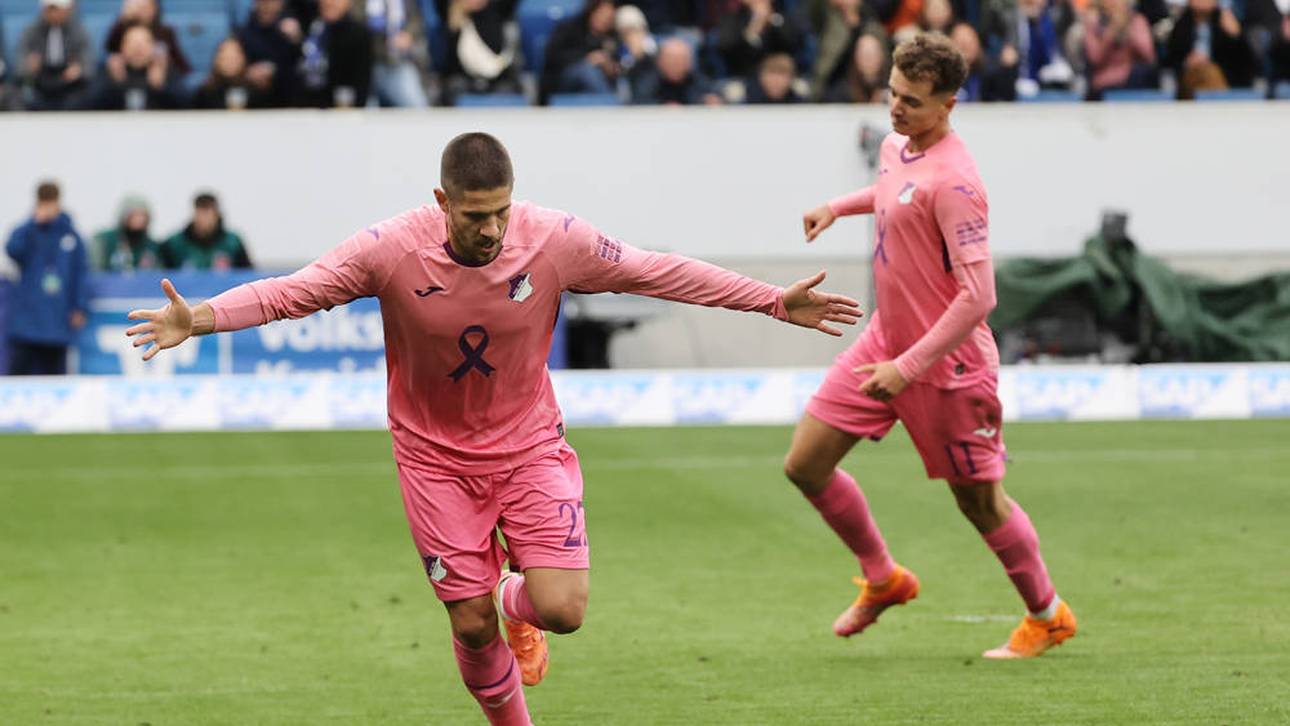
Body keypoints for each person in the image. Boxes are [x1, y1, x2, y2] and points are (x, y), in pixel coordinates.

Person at [124, 132, 863, 725]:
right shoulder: (390, 249)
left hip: (529, 445)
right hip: (433, 459)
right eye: (475, 214)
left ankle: (520, 603)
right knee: (471, 623)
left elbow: (655, 271)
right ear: (442, 201)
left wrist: (771, 301)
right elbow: (296, 292)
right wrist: (203, 317)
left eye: (501, 212)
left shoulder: (552, 239)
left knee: (562, 610)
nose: (491, 229)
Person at [785, 33, 1077, 660]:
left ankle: (1047, 614)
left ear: (948, 104)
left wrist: (907, 367)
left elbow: (978, 297)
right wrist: (838, 206)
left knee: (979, 503)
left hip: (946, 366)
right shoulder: (897, 145)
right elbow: (893, 191)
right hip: (886, 345)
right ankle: (884, 578)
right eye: (892, 94)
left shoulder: (958, 183)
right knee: (805, 463)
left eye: (912, 102)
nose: (896, 110)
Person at [4, 181, 89, 375]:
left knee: (55, 377)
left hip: (57, 320)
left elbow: (80, 273)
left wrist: (79, 306)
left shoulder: (71, 235)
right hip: (27, 319)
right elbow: (12, 249)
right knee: (17, 376)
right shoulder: (29, 230)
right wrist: (32, 222)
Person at [294, 0, 373, 108]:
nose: (329, 2)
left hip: (336, 111)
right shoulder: (310, 25)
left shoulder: (358, 34)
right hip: (300, 109)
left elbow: (361, 85)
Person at [16, 0, 93, 111]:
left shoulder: (79, 31)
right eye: (50, 9)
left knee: (85, 96)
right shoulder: (31, 31)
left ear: (68, 10)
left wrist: (79, 69)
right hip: (40, 83)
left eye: (57, 9)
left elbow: (87, 62)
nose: (54, 13)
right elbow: (20, 62)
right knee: (24, 96)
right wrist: (29, 67)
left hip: (69, 86)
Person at [89, 23, 183, 110]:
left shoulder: (165, 70)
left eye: (143, 43)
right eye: (133, 43)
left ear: (153, 47)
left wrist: (161, 87)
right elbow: (87, 105)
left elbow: (186, 104)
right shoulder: (108, 71)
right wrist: (114, 84)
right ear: (122, 47)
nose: (138, 49)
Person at [160, 192, 253, 270]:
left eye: (208, 212)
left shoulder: (233, 242)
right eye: (200, 212)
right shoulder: (175, 243)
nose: (204, 218)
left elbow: (246, 273)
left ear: (216, 214)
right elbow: (161, 272)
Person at [193, 37, 274, 110]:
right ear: (217, 60)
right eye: (226, 56)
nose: (230, 61)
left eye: (234, 56)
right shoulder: (206, 92)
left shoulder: (256, 91)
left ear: (243, 59)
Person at [91, 194, 163, 271]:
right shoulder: (104, 240)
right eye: (134, 215)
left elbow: (159, 273)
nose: (139, 220)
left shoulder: (152, 246)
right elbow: (96, 271)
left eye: (142, 215)